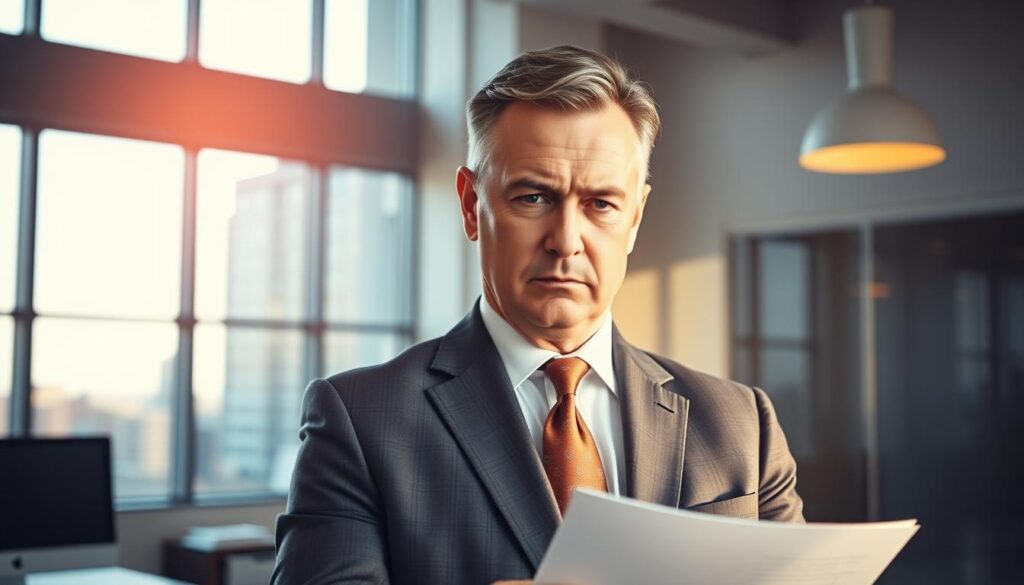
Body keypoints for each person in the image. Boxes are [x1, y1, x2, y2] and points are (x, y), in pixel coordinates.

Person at [272, 45, 803, 585]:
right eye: (532, 197)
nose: (566, 241)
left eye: (601, 204)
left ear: (635, 218)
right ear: (470, 205)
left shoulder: (743, 423)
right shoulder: (360, 420)